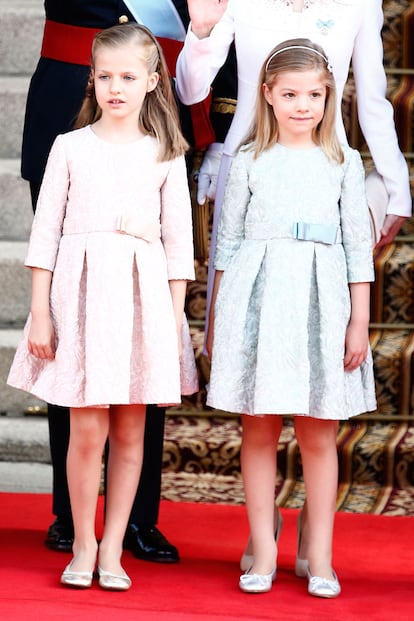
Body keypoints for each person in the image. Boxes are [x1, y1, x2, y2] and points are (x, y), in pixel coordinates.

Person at [175, 0, 412, 570]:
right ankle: (262, 539)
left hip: (325, 171)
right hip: (250, 172)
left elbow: (375, 99)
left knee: (318, 407)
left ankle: (316, 540)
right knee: (256, 390)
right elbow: (189, 87)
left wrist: (397, 188)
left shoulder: (356, 5)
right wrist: (203, 29)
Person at [20, 0, 235, 562]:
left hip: (159, 109)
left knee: (143, 345)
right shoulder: (74, 142)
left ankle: (136, 520)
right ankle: (72, 518)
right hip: (68, 99)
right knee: (76, 328)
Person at [206, 38, 377, 598]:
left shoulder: (343, 163)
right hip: (256, 302)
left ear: (329, 97)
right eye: (290, 94)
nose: (303, 105)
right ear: (268, 96)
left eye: (314, 95)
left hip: (321, 302)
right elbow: (226, 245)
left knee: (318, 434)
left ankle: (320, 556)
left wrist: (359, 322)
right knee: (257, 429)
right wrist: (216, 321)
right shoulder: (251, 161)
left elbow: (358, 248)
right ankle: (262, 545)